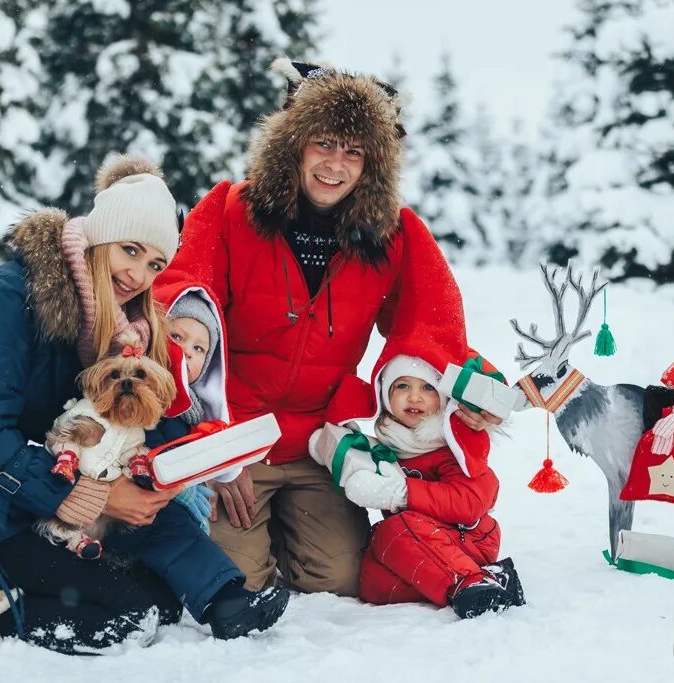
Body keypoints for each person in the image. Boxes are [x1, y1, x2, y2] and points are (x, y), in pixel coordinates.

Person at [0, 156, 288, 654]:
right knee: (127, 617)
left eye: (155, 264)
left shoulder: (104, 324)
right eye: (130, 250)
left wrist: (166, 468)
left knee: (159, 596)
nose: (138, 275)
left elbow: (111, 425)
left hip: (18, 507)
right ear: (98, 239)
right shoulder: (5, 304)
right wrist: (98, 497)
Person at [152, 58, 503, 596]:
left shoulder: (394, 235)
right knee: (237, 580)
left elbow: (433, 327)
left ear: (372, 165)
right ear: (293, 144)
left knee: (338, 580)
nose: (335, 165)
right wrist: (213, 450)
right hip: (236, 435)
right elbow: (181, 299)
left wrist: (471, 390)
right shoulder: (229, 209)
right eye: (324, 144)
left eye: (354, 151)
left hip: (320, 441)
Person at [309, 353, 525, 619]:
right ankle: (474, 580)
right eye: (402, 386)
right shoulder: (392, 444)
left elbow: (471, 502)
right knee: (371, 581)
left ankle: (471, 584)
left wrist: (401, 493)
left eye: (427, 388)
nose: (414, 397)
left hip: (467, 538)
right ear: (386, 395)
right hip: (415, 542)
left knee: (394, 529)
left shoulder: (454, 444)